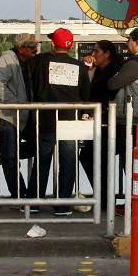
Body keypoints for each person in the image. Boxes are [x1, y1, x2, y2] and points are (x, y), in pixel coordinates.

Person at [27, 28, 90, 216]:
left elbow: (28, 63)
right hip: (70, 120)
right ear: (70, 47)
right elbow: (85, 95)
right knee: (68, 161)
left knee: (42, 161)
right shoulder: (79, 66)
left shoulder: (41, 61)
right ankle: (63, 205)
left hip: (45, 119)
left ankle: (34, 203)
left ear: (53, 44)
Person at [0, 33, 38, 200]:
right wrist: (18, 104)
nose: (35, 49)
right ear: (20, 49)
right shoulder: (7, 59)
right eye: (31, 46)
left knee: (42, 146)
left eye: (35, 45)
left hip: (26, 115)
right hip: (8, 115)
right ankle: (19, 195)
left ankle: (3, 152)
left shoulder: (31, 62)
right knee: (10, 157)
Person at [81, 39, 124, 205]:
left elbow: (100, 92)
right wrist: (89, 71)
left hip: (107, 124)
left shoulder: (114, 72)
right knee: (89, 157)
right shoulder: (97, 71)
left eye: (96, 51)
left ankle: (105, 199)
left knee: (97, 158)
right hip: (95, 122)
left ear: (107, 54)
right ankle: (103, 197)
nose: (93, 55)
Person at [107, 27, 138, 130]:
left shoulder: (135, 63)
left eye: (129, 39)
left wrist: (114, 77)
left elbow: (112, 85)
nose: (127, 43)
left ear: (136, 42)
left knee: (128, 145)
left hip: (133, 118)